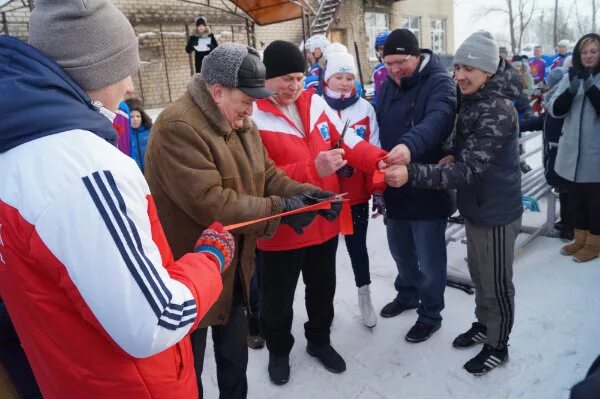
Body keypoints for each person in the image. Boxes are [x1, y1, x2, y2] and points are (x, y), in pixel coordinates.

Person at [0, 1, 233, 398]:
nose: (130, 86)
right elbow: (157, 318)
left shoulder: (16, 149)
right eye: (124, 70)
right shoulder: (85, 170)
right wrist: (209, 260)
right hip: (132, 385)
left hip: (71, 377)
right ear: (93, 69)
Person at [143, 42, 337, 399]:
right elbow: (213, 205)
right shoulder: (178, 127)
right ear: (217, 91)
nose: (252, 109)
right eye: (246, 99)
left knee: (234, 361)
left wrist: (308, 196)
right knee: (190, 372)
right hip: (187, 274)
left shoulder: (241, 121)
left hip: (232, 271)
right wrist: (281, 209)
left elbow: (268, 175)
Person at [380, 30, 523, 375]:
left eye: (468, 69)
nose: (458, 75)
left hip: (497, 211)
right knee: (479, 273)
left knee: (496, 282)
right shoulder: (474, 99)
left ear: (487, 71)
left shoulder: (497, 108)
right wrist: (450, 154)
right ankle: (483, 325)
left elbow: (470, 169)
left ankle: (498, 344)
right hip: (477, 206)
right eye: (457, 66)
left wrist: (413, 173)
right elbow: (465, 150)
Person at [252, 40, 388, 385]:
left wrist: (379, 159)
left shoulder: (313, 103)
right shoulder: (252, 113)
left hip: (323, 218)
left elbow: (346, 142)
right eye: (285, 78)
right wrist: (312, 167)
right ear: (267, 77)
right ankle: (279, 350)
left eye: (298, 77)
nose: (293, 86)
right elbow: (259, 175)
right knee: (277, 299)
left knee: (322, 289)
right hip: (282, 223)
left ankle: (319, 341)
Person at [376, 28, 457, 343]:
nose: (394, 69)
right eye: (388, 63)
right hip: (394, 183)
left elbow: (438, 120)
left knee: (429, 256)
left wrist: (408, 146)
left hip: (427, 183)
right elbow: (377, 120)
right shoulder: (387, 85)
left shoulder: (438, 81)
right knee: (400, 249)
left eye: (400, 61)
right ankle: (407, 293)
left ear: (416, 55)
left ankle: (431, 313)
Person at [322, 48, 385, 328]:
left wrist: (379, 190)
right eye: (339, 76)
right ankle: (322, 307)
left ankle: (365, 297)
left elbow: (375, 151)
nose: (345, 83)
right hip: (323, 196)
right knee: (322, 258)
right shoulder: (316, 107)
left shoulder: (365, 109)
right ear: (327, 79)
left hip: (355, 195)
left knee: (357, 249)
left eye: (350, 77)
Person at [547, 33, 600, 263]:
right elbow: (554, 110)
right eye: (584, 52)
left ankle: (594, 243)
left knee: (595, 201)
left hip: (595, 153)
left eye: (593, 51)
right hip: (571, 153)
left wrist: (590, 89)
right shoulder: (570, 77)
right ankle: (579, 239)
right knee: (576, 199)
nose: (588, 56)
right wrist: (570, 90)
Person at [542, 67, 574, 241]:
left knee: (566, 189)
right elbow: (542, 122)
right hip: (558, 154)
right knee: (565, 190)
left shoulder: (560, 101)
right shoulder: (556, 100)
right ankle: (567, 221)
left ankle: (569, 226)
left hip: (561, 153)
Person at [126, 98, 152, 172]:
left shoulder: (150, 130)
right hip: (135, 173)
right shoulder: (125, 134)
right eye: (132, 117)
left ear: (142, 117)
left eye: (138, 116)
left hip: (150, 171)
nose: (135, 119)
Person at [372, 30, 390, 106]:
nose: (383, 51)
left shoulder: (402, 67)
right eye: (380, 49)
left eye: (386, 48)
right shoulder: (377, 70)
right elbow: (377, 94)